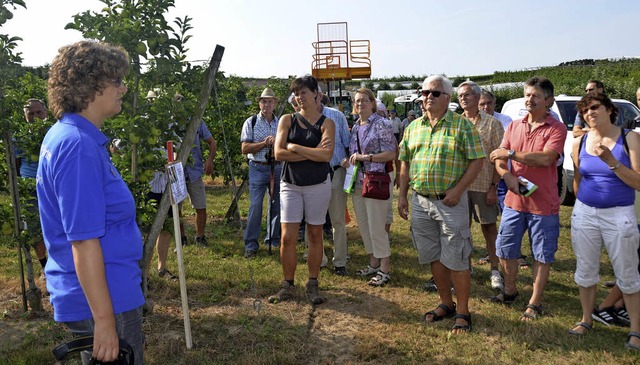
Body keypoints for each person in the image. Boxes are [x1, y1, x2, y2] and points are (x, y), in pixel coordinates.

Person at [37, 41, 144, 364]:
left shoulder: (69, 136)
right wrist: (105, 321)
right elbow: (83, 240)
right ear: (91, 85)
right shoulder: (78, 147)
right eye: (117, 81)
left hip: (100, 292)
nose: (123, 88)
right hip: (105, 296)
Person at [398, 75, 485, 334]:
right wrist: (403, 195)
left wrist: (459, 190)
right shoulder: (413, 127)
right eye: (424, 93)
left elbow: (477, 160)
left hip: (450, 202)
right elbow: (404, 161)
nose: (427, 97)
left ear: (447, 98)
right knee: (433, 255)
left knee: (457, 258)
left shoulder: (461, 126)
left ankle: (464, 311)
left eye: (434, 93)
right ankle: (446, 303)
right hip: (421, 201)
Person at [488, 76, 567, 322]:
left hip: (543, 204)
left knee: (542, 254)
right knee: (505, 248)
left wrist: (512, 153)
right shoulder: (514, 126)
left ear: (549, 101)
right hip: (514, 201)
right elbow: (499, 159)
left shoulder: (557, 128)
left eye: (535, 96)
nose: (529, 99)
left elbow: (546, 159)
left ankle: (535, 302)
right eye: (528, 95)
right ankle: (510, 289)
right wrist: (506, 176)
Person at [567, 93, 640, 350]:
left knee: (627, 273)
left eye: (595, 107)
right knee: (585, 271)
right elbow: (578, 177)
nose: (590, 113)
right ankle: (586, 319)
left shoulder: (630, 139)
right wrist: (581, 204)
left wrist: (611, 162)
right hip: (585, 213)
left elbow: (638, 183)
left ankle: (635, 330)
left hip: (619, 214)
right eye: (585, 110)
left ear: (609, 109)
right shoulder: (580, 142)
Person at [269, 75, 335, 304]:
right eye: (297, 93)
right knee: (287, 237)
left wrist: (295, 146)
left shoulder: (327, 123)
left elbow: (326, 155)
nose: (299, 97)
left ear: (316, 94)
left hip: (318, 185)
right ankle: (287, 284)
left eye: (304, 92)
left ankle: (313, 283)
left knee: (315, 234)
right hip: (291, 185)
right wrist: (312, 151)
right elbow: (278, 153)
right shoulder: (287, 120)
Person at [458, 81, 505, 291]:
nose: (463, 98)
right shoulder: (455, 123)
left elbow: (499, 158)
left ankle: (495, 270)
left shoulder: (492, 124)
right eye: (460, 96)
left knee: (489, 228)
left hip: (484, 184)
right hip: (460, 186)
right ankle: (465, 267)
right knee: (461, 230)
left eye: (467, 95)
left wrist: (494, 186)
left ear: (478, 98)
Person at [348, 88, 396, 286]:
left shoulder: (382, 124)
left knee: (377, 226)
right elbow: (354, 153)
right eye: (357, 101)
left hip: (376, 180)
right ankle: (373, 262)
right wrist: (349, 160)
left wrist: (366, 157)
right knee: (365, 225)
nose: (360, 104)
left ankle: (385, 267)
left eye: (364, 101)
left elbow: (391, 153)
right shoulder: (355, 126)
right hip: (358, 181)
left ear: (372, 103)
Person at [241, 88, 281, 258]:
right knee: (255, 206)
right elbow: (245, 148)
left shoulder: (281, 123)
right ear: (259, 103)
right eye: (264, 101)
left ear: (275, 104)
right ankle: (251, 244)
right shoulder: (251, 122)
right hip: (257, 167)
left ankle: (273, 239)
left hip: (277, 167)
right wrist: (264, 144)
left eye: (270, 101)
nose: (267, 104)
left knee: (277, 205)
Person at [15, 99, 50, 281]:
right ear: (24, 116)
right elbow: (16, 163)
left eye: (39, 112)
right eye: (31, 113)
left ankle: (59, 262)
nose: (35, 116)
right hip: (29, 187)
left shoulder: (53, 132)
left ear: (46, 111)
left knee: (56, 224)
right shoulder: (19, 137)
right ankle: (45, 266)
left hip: (51, 186)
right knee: (35, 227)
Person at [319, 89, 351, 276]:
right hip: (313, 174)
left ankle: (340, 261)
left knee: (338, 220)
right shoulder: (300, 118)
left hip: (336, 171)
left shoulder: (336, 115)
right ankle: (318, 258)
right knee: (314, 221)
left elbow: (347, 143)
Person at [183, 118, 216, 246]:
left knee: (201, 206)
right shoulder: (169, 121)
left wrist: (210, 160)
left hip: (194, 170)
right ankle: (182, 238)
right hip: (176, 171)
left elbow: (212, 142)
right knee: (176, 208)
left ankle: (200, 237)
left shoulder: (196, 120)